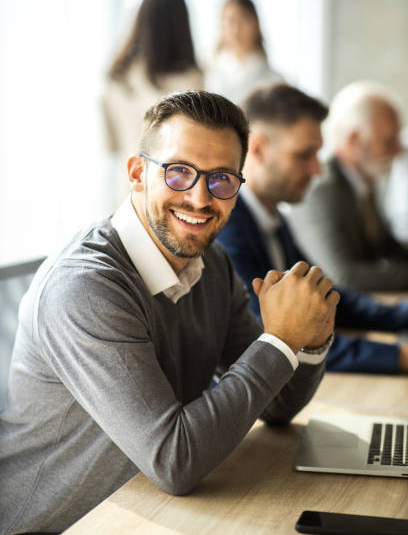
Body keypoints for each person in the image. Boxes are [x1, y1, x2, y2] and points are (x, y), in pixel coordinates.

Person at [0, 91, 339, 534]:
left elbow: (277, 406)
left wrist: (308, 338)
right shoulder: (85, 287)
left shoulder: (212, 265)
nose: (200, 198)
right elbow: (175, 459)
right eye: (179, 172)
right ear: (138, 173)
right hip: (59, 524)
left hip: (147, 511)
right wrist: (278, 341)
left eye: (221, 179)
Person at [217, 83, 408, 373]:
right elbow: (274, 338)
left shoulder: (272, 220)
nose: (317, 170)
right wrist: (399, 356)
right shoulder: (227, 229)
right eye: (304, 155)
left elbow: (325, 298)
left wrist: (402, 315)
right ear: (258, 149)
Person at [287, 81, 408, 291]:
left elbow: (387, 246)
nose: (399, 150)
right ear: (354, 140)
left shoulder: (364, 182)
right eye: (389, 141)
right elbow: (343, 276)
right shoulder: (319, 188)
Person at [102, 0, 203, 204]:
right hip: (175, 198)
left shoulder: (116, 78)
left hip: (125, 193)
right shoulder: (194, 81)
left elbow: (110, 145)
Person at [205, 0, 281, 104]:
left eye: (243, 20)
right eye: (230, 21)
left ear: (256, 24)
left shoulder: (275, 81)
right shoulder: (207, 73)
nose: (236, 30)